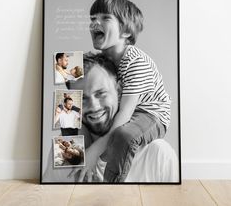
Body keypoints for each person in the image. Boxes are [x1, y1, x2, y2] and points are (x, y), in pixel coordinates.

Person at [85, 0, 171, 182]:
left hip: (151, 114)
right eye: (92, 18)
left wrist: (96, 153)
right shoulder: (104, 60)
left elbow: (125, 114)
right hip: (129, 112)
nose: (94, 23)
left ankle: (112, 184)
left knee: (124, 135)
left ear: (125, 31)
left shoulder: (135, 61)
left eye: (105, 18)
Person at [64, 53, 178, 183]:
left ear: (119, 91)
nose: (94, 106)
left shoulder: (159, 155)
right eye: (83, 98)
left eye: (101, 93)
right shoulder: (64, 153)